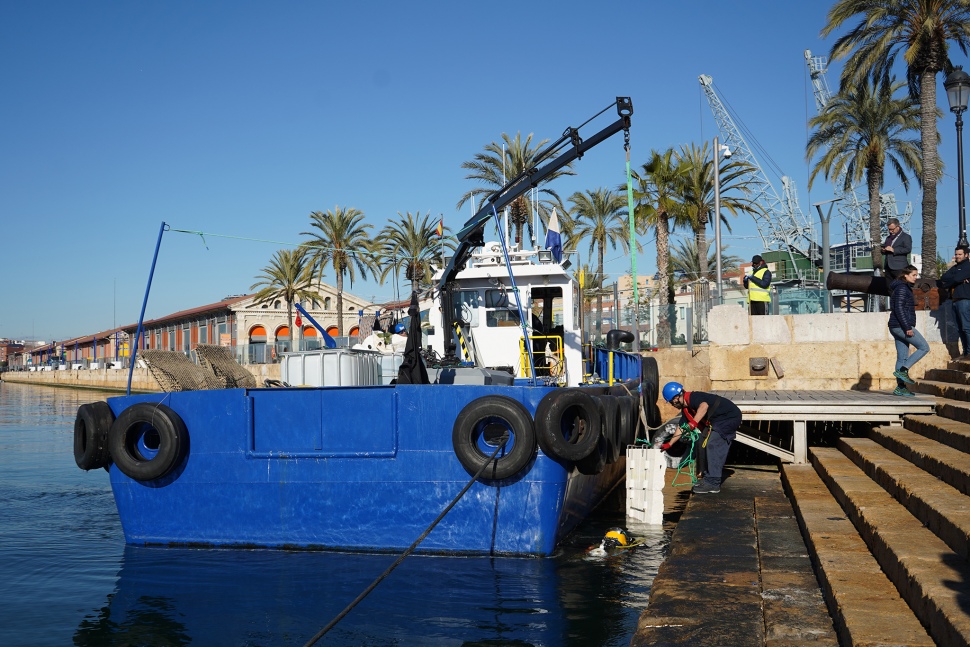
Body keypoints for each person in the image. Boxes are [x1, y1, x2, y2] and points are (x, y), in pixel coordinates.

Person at [659, 382, 743, 494]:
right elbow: (681, 428)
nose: (672, 404)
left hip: (729, 417)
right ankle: (707, 477)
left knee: (713, 444)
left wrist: (694, 423)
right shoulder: (686, 410)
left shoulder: (693, 397)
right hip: (718, 420)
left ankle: (713, 483)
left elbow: (704, 406)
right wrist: (670, 444)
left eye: (671, 401)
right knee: (703, 440)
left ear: (677, 396)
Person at [888, 265, 930, 397]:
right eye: (913, 275)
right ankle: (904, 370)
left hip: (896, 326)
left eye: (916, 275)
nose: (915, 278)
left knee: (902, 357)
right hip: (901, 326)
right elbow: (899, 309)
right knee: (924, 347)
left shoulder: (902, 287)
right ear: (905, 275)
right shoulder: (902, 288)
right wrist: (907, 327)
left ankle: (900, 388)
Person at [941, 245, 970, 357]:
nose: (957, 256)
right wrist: (957, 280)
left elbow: (955, 279)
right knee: (959, 328)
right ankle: (966, 352)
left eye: (960, 254)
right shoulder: (955, 268)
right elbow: (944, 278)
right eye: (956, 254)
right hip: (955, 300)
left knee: (966, 327)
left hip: (965, 301)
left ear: (966, 255)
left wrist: (954, 280)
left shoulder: (968, 266)